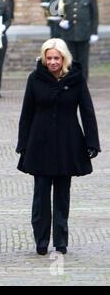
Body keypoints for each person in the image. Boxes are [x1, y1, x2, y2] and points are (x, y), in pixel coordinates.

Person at [16, 38, 100, 256]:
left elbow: (87, 111)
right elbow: (26, 113)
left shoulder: (76, 79)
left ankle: (61, 241)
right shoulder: (35, 78)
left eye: (56, 58)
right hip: (40, 142)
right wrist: (23, 144)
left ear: (64, 59)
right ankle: (41, 241)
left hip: (67, 142)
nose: (52, 62)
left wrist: (92, 141)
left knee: (62, 195)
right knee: (41, 195)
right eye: (49, 58)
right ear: (44, 58)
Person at [58, 0, 99, 81]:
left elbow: (95, 15)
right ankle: (71, 79)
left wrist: (94, 33)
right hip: (68, 32)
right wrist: (61, 20)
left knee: (83, 59)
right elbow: (59, 9)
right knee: (69, 59)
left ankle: (83, 81)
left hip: (84, 33)